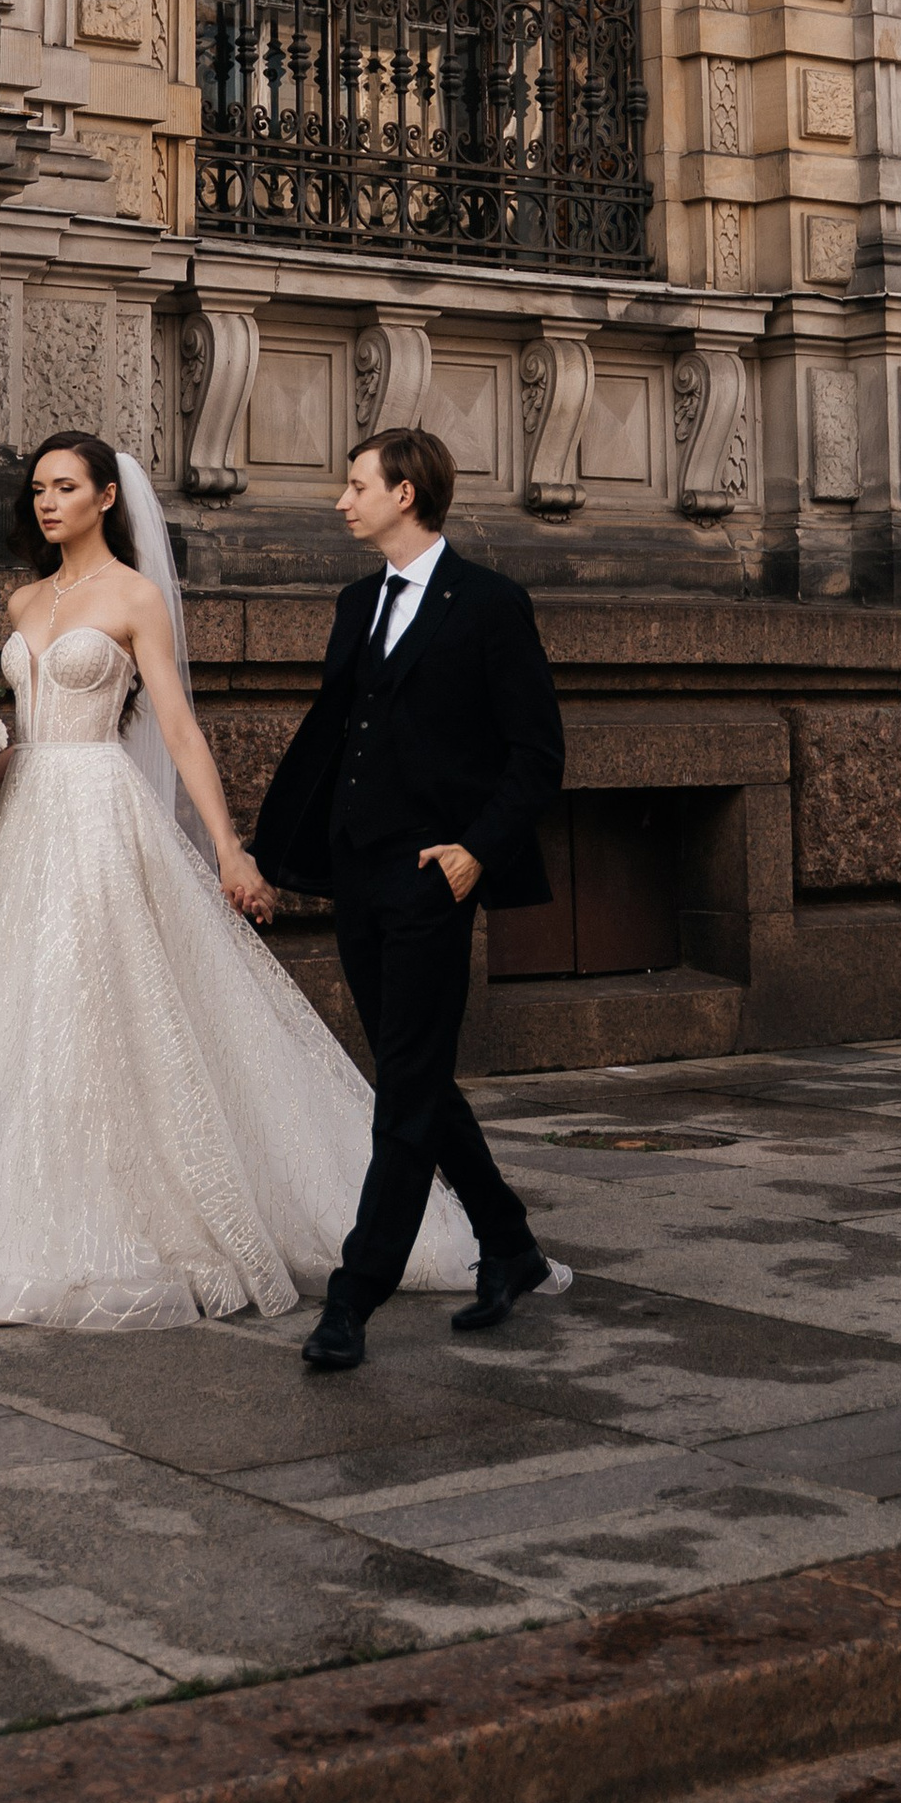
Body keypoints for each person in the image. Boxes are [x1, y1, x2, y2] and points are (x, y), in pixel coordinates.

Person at [0, 434, 479, 1330]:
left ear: (107, 497)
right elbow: (23, 733)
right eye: (37, 490)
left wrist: (229, 850)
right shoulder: (23, 600)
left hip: (103, 816)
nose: (46, 503)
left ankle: (153, 1221)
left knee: (98, 1007)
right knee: (27, 1012)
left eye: (65, 487)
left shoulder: (135, 597)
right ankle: (32, 1235)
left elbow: (177, 731)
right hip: (28, 823)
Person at [255, 428, 571, 1374]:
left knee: (400, 1086)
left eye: (356, 486)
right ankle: (508, 1245)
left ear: (404, 493)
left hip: (435, 875)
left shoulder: (489, 605)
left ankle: (356, 1297)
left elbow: (537, 753)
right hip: (360, 869)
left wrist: (478, 850)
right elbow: (339, 736)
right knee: (413, 1074)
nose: (342, 501)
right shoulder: (358, 602)